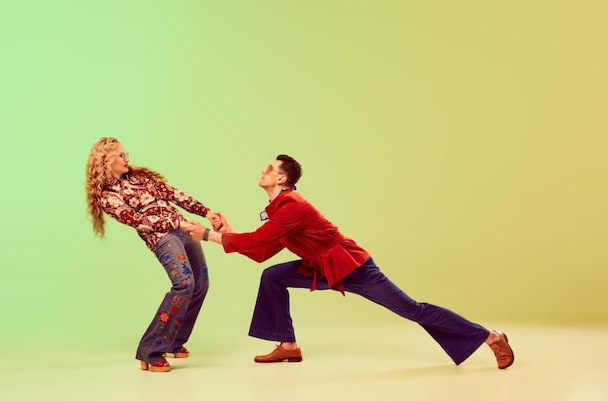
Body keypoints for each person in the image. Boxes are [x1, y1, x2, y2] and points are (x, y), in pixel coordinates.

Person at [183, 154, 514, 369]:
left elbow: (257, 242)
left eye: (270, 168)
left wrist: (209, 236)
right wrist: (228, 232)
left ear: (282, 179)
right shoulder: (278, 210)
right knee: (273, 276)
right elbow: (260, 251)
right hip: (322, 267)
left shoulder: (292, 206)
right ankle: (287, 345)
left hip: (353, 267)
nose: (264, 170)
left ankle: (489, 336)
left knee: (412, 309)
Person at [85, 137, 221, 372]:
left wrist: (206, 211)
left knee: (201, 284)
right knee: (184, 284)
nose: (127, 159)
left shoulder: (140, 179)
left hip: (184, 229)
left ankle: (175, 342)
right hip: (163, 237)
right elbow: (140, 221)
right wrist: (178, 222)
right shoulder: (108, 197)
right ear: (106, 160)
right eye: (121, 155)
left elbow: (173, 193)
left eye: (126, 154)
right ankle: (150, 350)